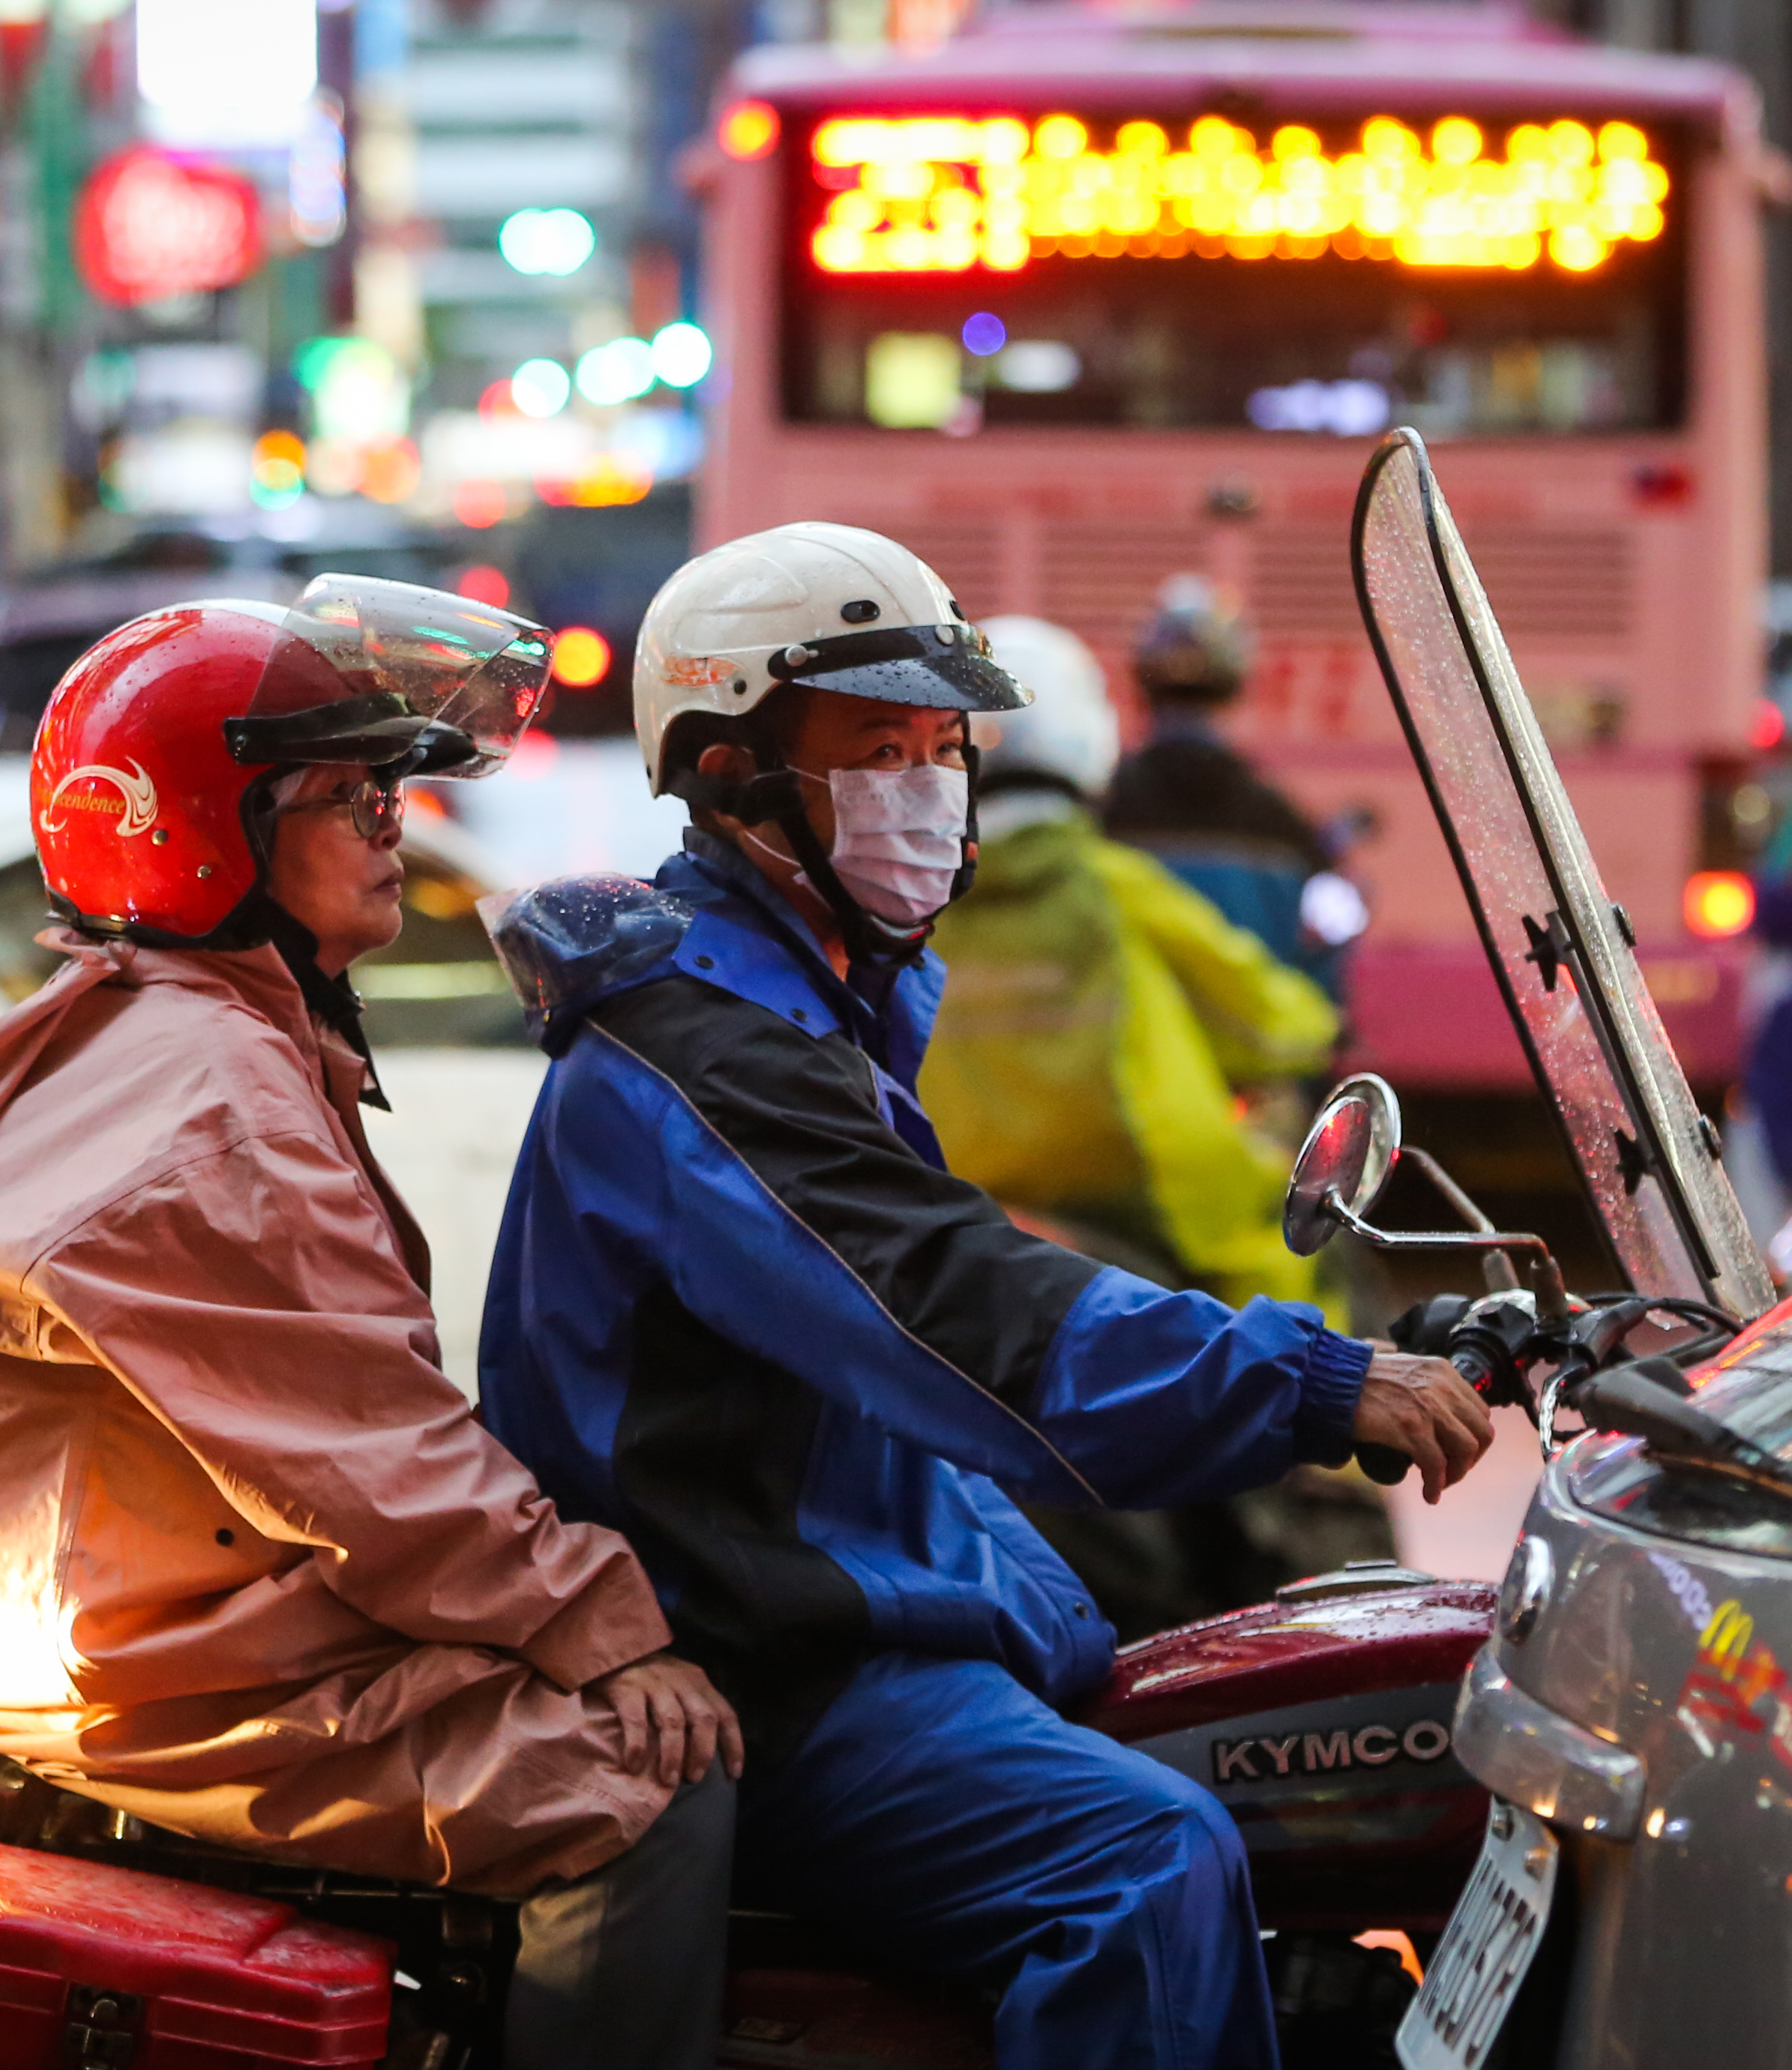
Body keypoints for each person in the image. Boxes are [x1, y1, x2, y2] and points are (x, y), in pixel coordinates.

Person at [474, 523, 1491, 2070]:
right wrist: (1307, 1378)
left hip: (846, 1610)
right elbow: (954, 1303)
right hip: (759, 1666)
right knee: (1142, 1859)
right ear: (734, 771)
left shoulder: (818, 1000)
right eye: (878, 748)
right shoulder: (707, 1048)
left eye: (942, 744)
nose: (928, 786)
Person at [0, 584, 742, 2070]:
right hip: (98, 1649)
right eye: (348, 793)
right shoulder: (219, 1102)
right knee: (647, 1785)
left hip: (38, 1602)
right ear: (206, 834)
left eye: (391, 784)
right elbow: (375, 1463)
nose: (392, 820)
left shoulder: (152, 1021)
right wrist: (609, 1635)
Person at [919, 616, 1390, 1634]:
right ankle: (1329, 1523)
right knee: (1326, 1286)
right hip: (1158, 1215)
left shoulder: (916, 911)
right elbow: (1287, 1019)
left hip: (974, 1224)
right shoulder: (1116, 887)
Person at [1101, 577, 1364, 994]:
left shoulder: (1096, 813)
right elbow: (1319, 969)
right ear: (1237, 686)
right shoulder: (1283, 825)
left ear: (1142, 683)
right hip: (1257, 1056)